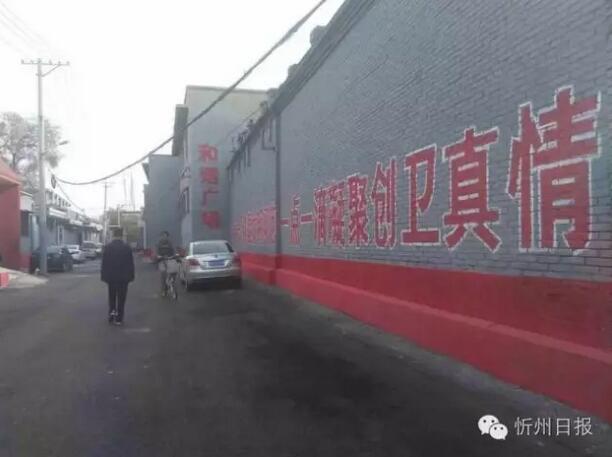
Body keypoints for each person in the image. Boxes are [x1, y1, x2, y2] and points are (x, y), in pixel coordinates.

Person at [101, 228, 135, 325]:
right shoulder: (127, 247)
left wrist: (104, 276)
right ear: (122, 235)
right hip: (123, 278)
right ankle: (119, 318)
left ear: (113, 235)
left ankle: (112, 315)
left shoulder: (108, 247)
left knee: (112, 297)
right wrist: (131, 276)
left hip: (111, 277)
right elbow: (130, 263)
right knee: (121, 298)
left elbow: (104, 263)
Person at [156, 231, 175, 296]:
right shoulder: (160, 243)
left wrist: (173, 256)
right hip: (162, 260)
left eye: (165, 236)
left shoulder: (170, 243)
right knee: (163, 275)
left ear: (167, 236)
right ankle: (163, 290)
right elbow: (157, 251)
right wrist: (158, 256)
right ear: (162, 236)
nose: (164, 237)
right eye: (163, 236)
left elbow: (173, 251)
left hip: (169, 259)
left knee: (171, 274)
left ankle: (170, 287)